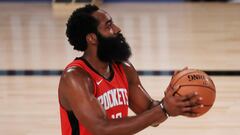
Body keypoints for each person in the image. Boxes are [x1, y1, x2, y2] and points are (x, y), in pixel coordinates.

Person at [58, 4, 203, 135]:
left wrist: (174, 99)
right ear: (92, 38)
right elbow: (101, 128)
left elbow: (151, 115)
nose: (117, 29)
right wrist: (163, 109)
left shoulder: (123, 68)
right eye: (109, 26)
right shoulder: (75, 77)